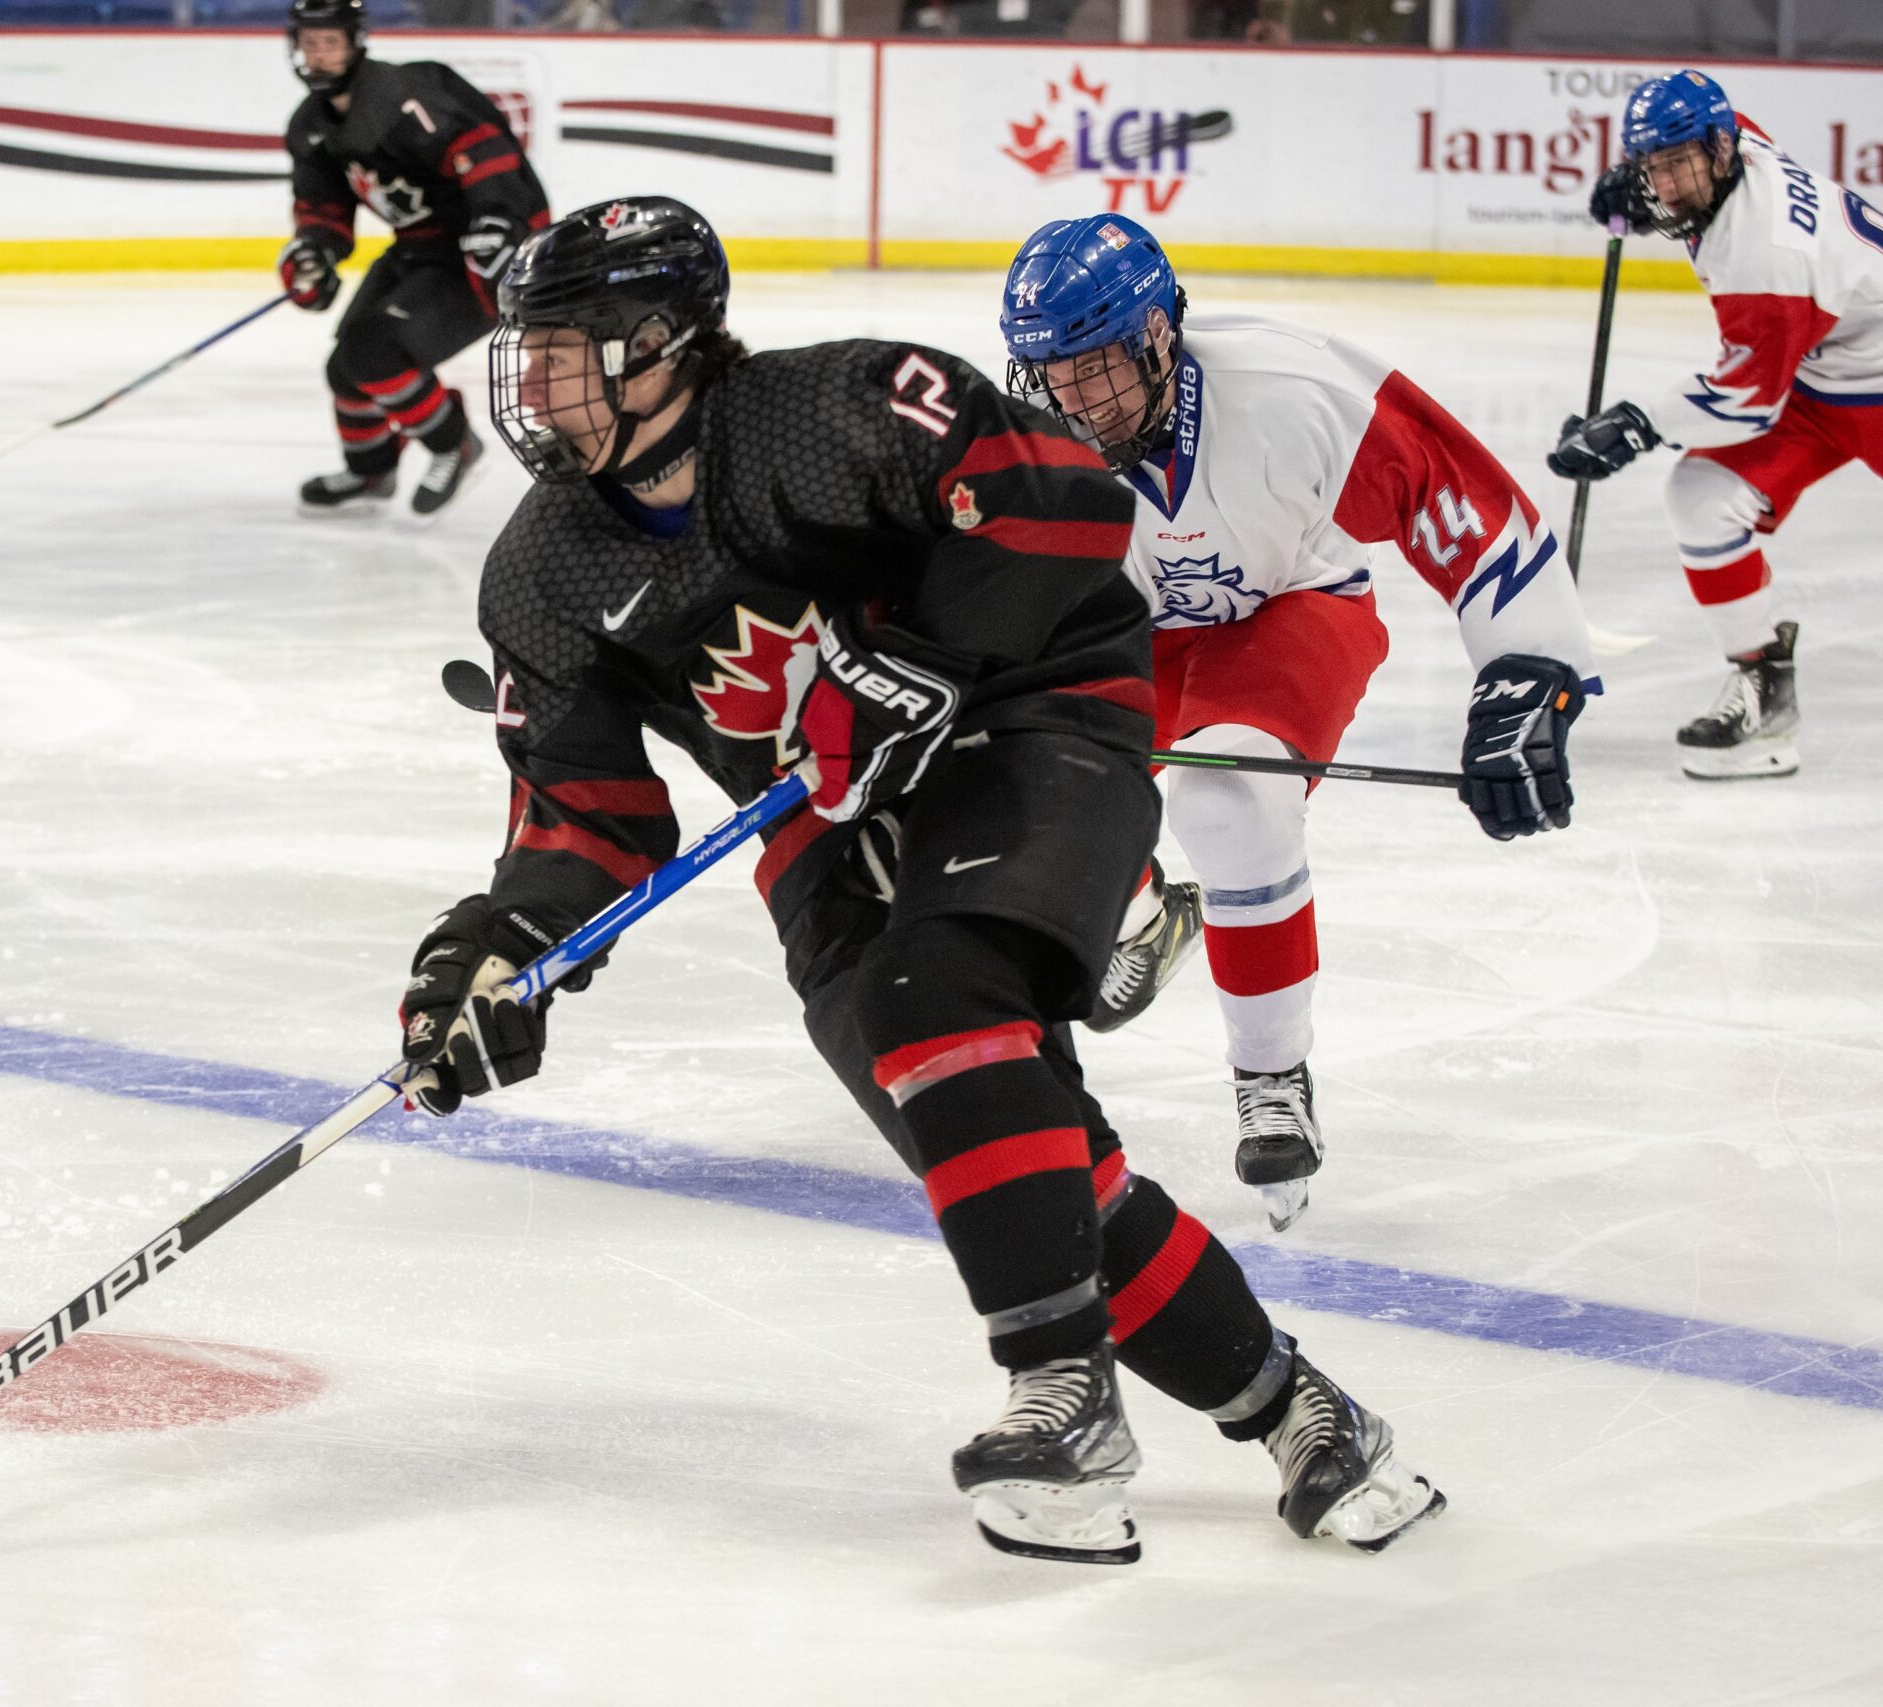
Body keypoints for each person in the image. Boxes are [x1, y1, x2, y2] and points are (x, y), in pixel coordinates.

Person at [394, 194, 1445, 1564]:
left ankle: (1061, 1401)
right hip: (822, 823)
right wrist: (494, 952)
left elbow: (1056, 495)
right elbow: (585, 815)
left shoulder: (827, 407)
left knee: (930, 999)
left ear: (663, 346)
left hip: (1030, 707)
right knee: (1023, 1158)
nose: (532, 385)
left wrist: (931, 653)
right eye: (525, 354)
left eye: (565, 350)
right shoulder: (539, 571)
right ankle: (1306, 1413)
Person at [999, 214, 1595, 1231]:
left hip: (1290, 608)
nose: (1073, 400)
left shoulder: (1292, 391)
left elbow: (1454, 497)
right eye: (1052, 373)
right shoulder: (1030, 441)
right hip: (1121, 633)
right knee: (1014, 781)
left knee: (1228, 799)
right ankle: (1139, 901)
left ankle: (1270, 1077)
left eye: (1096, 366)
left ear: (1157, 338)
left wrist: (1525, 673)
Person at [1550, 69, 1883, 780]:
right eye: (1651, 166)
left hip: (1846, 375)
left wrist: (1633, 426)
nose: (1664, 187)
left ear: (1721, 151)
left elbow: (1746, 400)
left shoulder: (1768, 254)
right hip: (1824, 371)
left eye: (1676, 165)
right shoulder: (1738, 146)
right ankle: (1765, 688)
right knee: (1703, 497)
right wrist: (1633, 192)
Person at [278, 0, 548, 518]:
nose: (318, 56)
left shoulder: (410, 96)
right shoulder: (311, 125)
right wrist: (314, 251)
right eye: (310, 44)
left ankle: (455, 444)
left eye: (330, 43)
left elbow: (484, 148)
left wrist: (497, 222)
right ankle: (370, 471)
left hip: (482, 253)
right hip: (420, 246)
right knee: (346, 369)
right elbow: (323, 207)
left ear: (356, 42)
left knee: (375, 352)